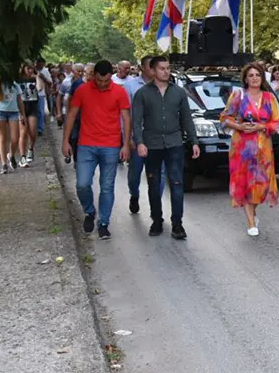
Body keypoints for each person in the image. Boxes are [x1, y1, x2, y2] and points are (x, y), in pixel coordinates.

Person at [62, 60, 132, 240]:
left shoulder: (119, 91)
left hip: (111, 145)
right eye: (99, 81)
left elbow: (126, 118)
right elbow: (71, 115)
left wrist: (125, 144)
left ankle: (103, 223)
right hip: (86, 144)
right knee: (82, 184)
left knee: (107, 187)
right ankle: (89, 211)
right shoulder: (83, 90)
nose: (102, 85)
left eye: (106, 81)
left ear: (111, 76)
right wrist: (66, 141)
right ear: (94, 76)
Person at [132, 56, 200, 240]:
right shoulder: (142, 94)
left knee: (177, 183)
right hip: (152, 144)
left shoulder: (178, 92)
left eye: (168, 68)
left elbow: (186, 118)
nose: (166, 71)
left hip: (174, 143)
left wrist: (193, 141)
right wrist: (139, 142)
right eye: (162, 68)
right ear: (153, 71)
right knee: (154, 184)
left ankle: (177, 223)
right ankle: (157, 220)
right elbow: (136, 121)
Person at [219, 63, 279, 237]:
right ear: (245, 79)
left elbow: (277, 122)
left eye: (257, 75)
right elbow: (224, 118)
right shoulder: (238, 95)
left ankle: (253, 212)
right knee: (245, 185)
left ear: (262, 78)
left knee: (262, 186)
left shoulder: (269, 97)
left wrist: (259, 126)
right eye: (251, 75)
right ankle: (251, 222)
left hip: (263, 148)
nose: (254, 78)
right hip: (242, 148)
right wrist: (239, 125)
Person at [126, 56, 165, 214]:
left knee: (159, 173)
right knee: (135, 173)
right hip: (138, 138)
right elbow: (126, 115)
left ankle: (156, 205)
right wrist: (128, 138)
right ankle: (134, 194)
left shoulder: (164, 86)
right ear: (143, 68)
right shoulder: (130, 86)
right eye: (151, 67)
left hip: (158, 139)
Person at [0, 78, 26, 174]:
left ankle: (11, 155)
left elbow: (19, 101)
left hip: (13, 112)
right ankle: (4, 164)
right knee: (2, 138)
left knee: (15, 138)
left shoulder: (15, 85)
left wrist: (22, 114)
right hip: (0, 112)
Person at [17, 64, 39, 167]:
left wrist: (38, 77)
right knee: (23, 132)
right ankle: (22, 157)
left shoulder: (35, 78)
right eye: (28, 68)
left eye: (31, 68)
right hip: (22, 106)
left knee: (33, 132)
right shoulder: (18, 79)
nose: (30, 70)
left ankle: (30, 149)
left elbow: (40, 88)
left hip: (33, 105)